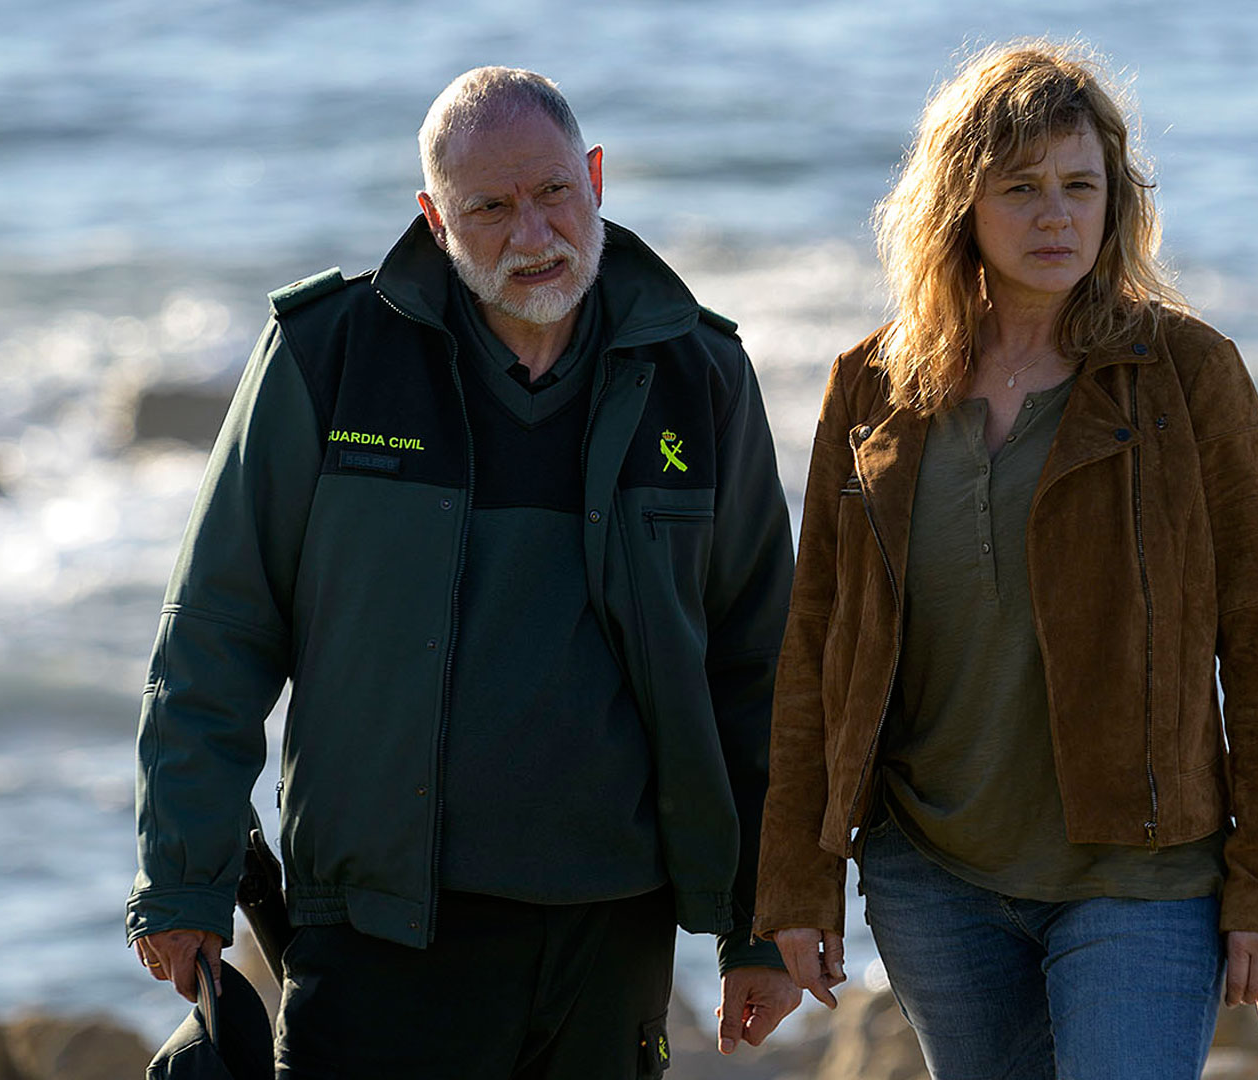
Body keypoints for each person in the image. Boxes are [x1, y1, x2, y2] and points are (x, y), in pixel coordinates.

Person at [125, 66, 801, 1077]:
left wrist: (764, 924)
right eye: (489, 208)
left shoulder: (699, 374)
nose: (533, 234)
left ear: (596, 178)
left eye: (554, 193)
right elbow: (217, 628)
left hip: (614, 931)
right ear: (434, 217)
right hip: (380, 932)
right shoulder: (327, 355)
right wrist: (184, 880)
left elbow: (760, 668)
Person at [752, 41, 1258, 1080]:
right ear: (959, 204)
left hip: (1143, 874)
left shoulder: (1188, 374)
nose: (1056, 216)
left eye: (1079, 186)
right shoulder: (873, 386)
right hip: (932, 872)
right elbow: (817, 647)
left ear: (1116, 201)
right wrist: (797, 878)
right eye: (1020, 188)